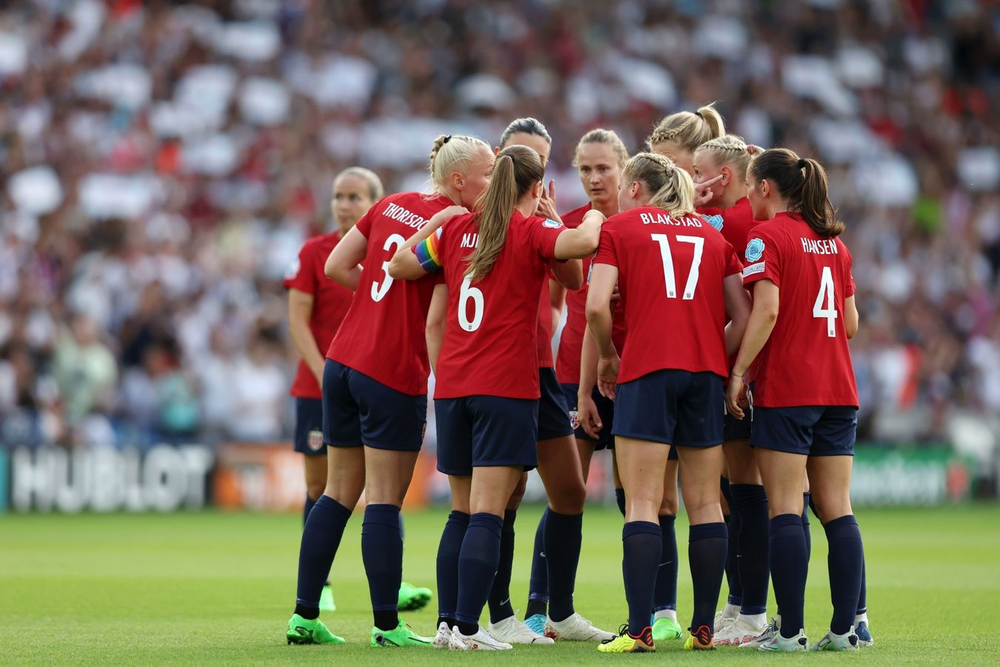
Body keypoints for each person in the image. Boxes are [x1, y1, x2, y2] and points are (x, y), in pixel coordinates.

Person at [389, 144, 605, 650]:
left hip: (454, 388)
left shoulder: (455, 231)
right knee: (488, 510)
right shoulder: (529, 231)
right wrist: (593, 214)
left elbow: (400, 264)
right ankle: (469, 627)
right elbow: (580, 245)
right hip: (505, 387)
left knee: (462, 511)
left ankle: (448, 624)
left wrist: (435, 221)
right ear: (534, 190)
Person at [285, 134, 494, 648]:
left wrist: (379, 300)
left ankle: (304, 616)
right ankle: (386, 626)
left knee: (335, 494)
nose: (496, 182)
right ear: (459, 180)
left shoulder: (390, 204)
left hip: (341, 362)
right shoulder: (454, 224)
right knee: (383, 500)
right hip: (390, 371)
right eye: (490, 173)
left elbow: (337, 266)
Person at [588, 152, 750, 653]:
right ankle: (703, 629)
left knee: (642, 501)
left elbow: (596, 305)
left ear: (634, 187)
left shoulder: (619, 228)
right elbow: (742, 316)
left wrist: (609, 358)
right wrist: (711, 359)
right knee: (705, 503)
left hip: (646, 370)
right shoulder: (712, 235)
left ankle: (640, 629)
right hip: (704, 376)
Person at [725, 148, 865, 652]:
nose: (744, 195)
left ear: (765, 188)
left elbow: (765, 311)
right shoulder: (835, 244)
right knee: (838, 508)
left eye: (748, 186)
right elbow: (849, 324)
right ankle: (848, 629)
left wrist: (738, 371)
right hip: (839, 390)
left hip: (789, 389)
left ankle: (788, 631)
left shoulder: (768, 236)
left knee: (785, 507)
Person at [476, 119, 609, 645]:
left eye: (537, 160)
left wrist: (552, 222)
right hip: (502, 371)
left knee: (571, 491)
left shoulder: (538, 226)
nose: (528, 170)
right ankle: (501, 614)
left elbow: (573, 280)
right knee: (502, 498)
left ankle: (560, 611)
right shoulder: (482, 221)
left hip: (542, 370)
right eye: (518, 158)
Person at [284, 167, 382, 614]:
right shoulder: (314, 252)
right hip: (318, 386)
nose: (343, 204)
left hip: (373, 383)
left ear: (374, 205)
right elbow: (297, 320)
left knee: (383, 485)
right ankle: (319, 583)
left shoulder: (385, 256)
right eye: (338, 196)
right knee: (320, 485)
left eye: (354, 197)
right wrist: (322, 370)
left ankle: (388, 583)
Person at [691, 136, 773, 644]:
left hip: (744, 372)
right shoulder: (734, 216)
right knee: (734, 494)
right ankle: (740, 603)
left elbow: (746, 310)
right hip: (741, 369)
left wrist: (723, 366)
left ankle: (752, 611)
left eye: (697, 170)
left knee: (747, 493)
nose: (692, 179)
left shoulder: (737, 222)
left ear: (723, 176)